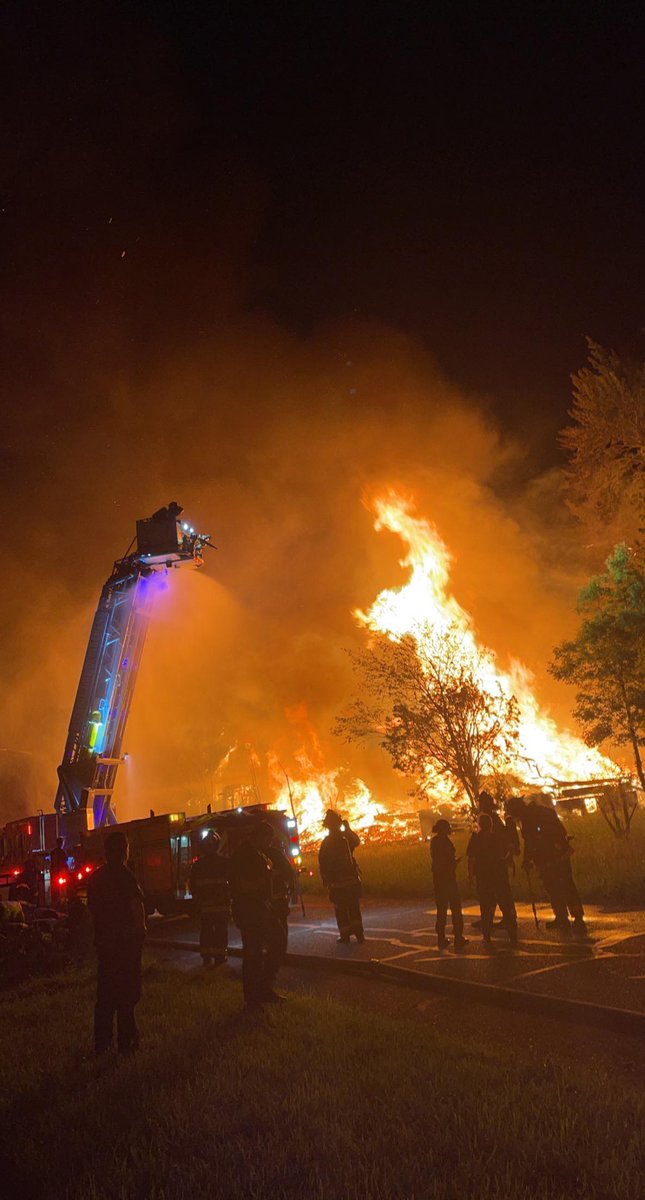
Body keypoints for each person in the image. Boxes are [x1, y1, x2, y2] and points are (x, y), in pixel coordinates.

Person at [86, 830, 146, 1055]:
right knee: (127, 995)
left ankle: (102, 1043)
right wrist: (140, 931)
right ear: (124, 850)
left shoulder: (96, 878)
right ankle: (127, 1042)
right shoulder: (125, 875)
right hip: (126, 945)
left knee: (105, 997)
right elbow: (136, 905)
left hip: (105, 945)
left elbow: (92, 910)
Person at [228, 822, 292, 1006]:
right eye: (267, 839)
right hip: (250, 912)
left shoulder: (257, 854)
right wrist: (265, 879)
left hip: (261, 910)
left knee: (272, 944)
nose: (269, 843)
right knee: (254, 953)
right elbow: (241, 886)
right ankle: (255, 997)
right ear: (257, 836)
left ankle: (263, 989)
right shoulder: (243, 856)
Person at [506, 796, 586, 934]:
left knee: (554, 888)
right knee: (567, 885)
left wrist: (527, 860)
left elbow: (530, 843)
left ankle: (563, 918)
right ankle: (573, 917)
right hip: (560, 853)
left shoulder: (528, 819)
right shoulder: (543, 811)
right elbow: (561, 832)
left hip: (548, 857)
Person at [467, 813, 518, 946]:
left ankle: (487, 934)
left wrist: (471, 876)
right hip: (499, 875)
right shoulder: (498, 838)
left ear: (480, 824)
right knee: (505, 903)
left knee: (486, 906)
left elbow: (471, 859)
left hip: (484, 877)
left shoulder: (475, 839)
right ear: (491, 824)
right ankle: (512, 932)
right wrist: (510, 862)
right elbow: (506, 854)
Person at [318, 810, 364, 944]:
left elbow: (323, 863)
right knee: (354, 907)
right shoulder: (346, 838)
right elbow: (357, 841)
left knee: (341, 909)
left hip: (337, 884)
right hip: (352, 881)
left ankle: (345, 935)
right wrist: (348, 829)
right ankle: (359, 934)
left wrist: (325, 879)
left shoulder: (327, 843)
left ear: (327, 826)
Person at [189, 830, 230, 967]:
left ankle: (206, 958)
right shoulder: (225, 863)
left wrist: (197, 901)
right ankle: (220, 957)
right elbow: (231, 883)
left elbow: (193, 886)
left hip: (205, 906)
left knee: (206, 931)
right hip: (222, 905)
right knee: (221, 931)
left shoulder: (197, 866)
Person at [430, 819, 468, 951]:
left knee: (441, 910)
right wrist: (455, 862)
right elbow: (448, 861)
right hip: (449, 880)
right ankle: (458, 937)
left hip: (438, 880)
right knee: (456, 908)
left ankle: (441, 938)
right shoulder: (445, 842)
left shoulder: (434, 842)